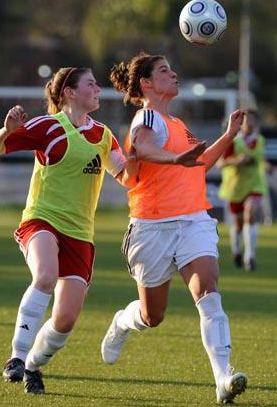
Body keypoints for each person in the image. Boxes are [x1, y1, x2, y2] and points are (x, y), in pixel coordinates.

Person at [0, 66, 206, 395]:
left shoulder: (102, 135)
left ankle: (32, 364)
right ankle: (15, 358)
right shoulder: (48, 127)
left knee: (65, 321)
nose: (97, 89)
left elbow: (127, 177)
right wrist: (5, 132)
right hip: (41, 220)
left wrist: (141, 157)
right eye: (90, 84)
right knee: (45, 276)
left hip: (80, 234)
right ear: (70, 93)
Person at [100, 52, 248, 405]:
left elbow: (198, 163)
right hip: (151, 227)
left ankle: (223, 379)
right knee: (153, 316)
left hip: (193, 219)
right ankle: (123, 321)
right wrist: (173, 158)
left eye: (172, 69)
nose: (174, 74)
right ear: (147, 84)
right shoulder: (146, 116)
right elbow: (146, 147)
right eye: (164, 71)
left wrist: (228, 134)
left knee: (208, 293)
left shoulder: (179, 124)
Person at [217, 109, 268, 271]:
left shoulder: (260, 140)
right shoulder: (233, 142)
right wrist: (237, 161)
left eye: (253, 119)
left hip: (254, 185)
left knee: (250, 213)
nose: (250, 122)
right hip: (235, 187)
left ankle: (250, 256)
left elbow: (261, 159)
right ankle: (236, 250)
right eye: (247, 119)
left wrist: (268, 166)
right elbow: (220, 163)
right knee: (238, 224)